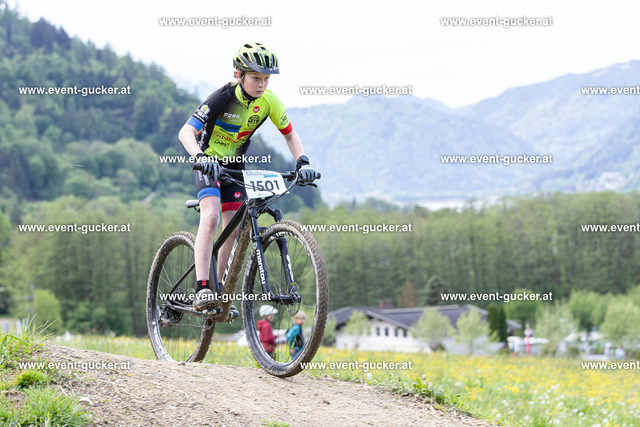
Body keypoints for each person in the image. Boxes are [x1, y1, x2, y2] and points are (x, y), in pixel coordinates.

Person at [177, 42, 319, 310]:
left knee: (233, 231)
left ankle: (218, 292)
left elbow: (290, 134)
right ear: (238, 75)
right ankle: (202, 288)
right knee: (211, 217)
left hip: (235, 168)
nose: (262, 84)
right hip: (209, 164)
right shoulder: (221, 98)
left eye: (266, 79)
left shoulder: (270, 102)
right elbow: (185, 132)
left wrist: (303, 161)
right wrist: (200, 157)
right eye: (255, 78)